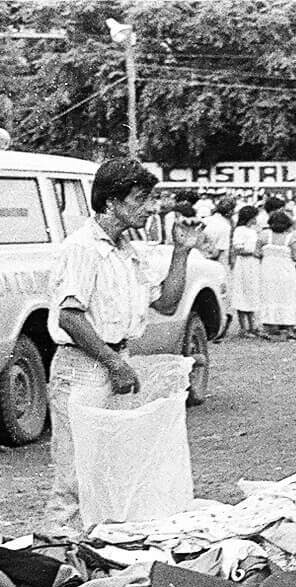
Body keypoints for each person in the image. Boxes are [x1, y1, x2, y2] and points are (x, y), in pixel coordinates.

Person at [45, 157, 200, 529]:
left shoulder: (128, 251)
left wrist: (181, 252)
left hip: (117, 360)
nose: (152, 208)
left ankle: (96, 554)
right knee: (74, 477)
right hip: (82, 368)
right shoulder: (82, 247)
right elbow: (70, 316)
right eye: (142, 199)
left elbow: (165, 302)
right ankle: (55, 554)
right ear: (112, 202)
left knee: (111, 470)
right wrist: (114, 364)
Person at [259, 209, 296, 341]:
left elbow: (256, 252)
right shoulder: (291, 237)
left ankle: (270, 325)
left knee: (269, 297)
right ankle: (288, 327)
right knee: (287, 298)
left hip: (268, 272)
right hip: (286, 273)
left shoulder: (264, 236)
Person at [231, 205, 264, 338]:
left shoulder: (253, 230)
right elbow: (237, 248)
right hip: (244, 264)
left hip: (253, 265)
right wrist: (252, 252)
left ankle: (252, 326)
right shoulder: (240, 230)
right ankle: (244, 328)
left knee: (252, 293)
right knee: (243, 293)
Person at [202, 196, 235, 266]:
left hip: (201, 257)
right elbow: (221, 250)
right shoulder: (226, 227)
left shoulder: (205, 220)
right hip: (217, 261)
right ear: (230, 211)